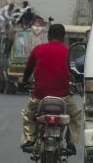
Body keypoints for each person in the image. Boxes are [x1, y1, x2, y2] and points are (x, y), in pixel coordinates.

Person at [19, 23, 82, 154]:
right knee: (75, 115)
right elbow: (74, 72)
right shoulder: (68, 52)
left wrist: (24, 82)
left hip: (39, 97)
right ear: (63, 37)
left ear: (48, 36)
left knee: (27, 114)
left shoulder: (38, 49)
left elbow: (28, 69)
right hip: (63, 98)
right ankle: (71, 142)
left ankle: (30, 139)